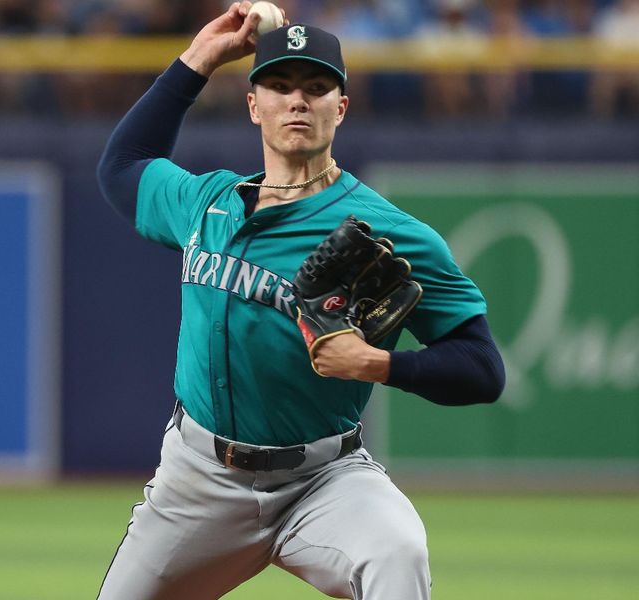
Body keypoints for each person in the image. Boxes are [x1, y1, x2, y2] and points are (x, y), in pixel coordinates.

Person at [95, 3, 505, 599]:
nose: (297, 100)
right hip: (200, 479)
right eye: (279, 85)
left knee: (396, 551)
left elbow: (483, 368)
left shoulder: (392, 233)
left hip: (324, 479)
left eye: (316, 88)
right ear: (253, 104)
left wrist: (378, 364)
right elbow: (122, 167)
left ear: (340, 108)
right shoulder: (204, 202)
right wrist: (200, 59)